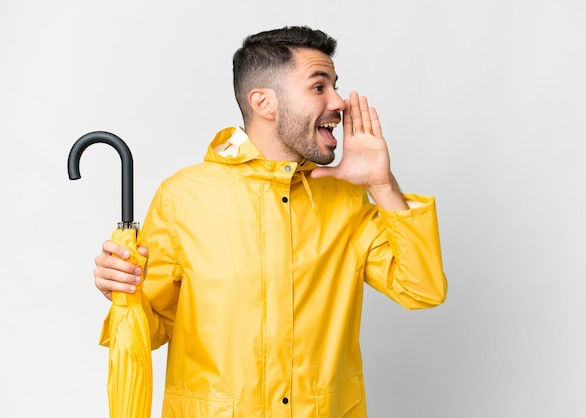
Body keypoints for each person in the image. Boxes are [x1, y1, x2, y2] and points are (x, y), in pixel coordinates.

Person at [94, 25, 447, 417]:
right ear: (264, 103)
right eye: (319, 87)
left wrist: (382, 184)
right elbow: (153, 326)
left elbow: (422, 289)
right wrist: (125, 291)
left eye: (334, 85)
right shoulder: (184, 197)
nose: (339, 101)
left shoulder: (346, 198)